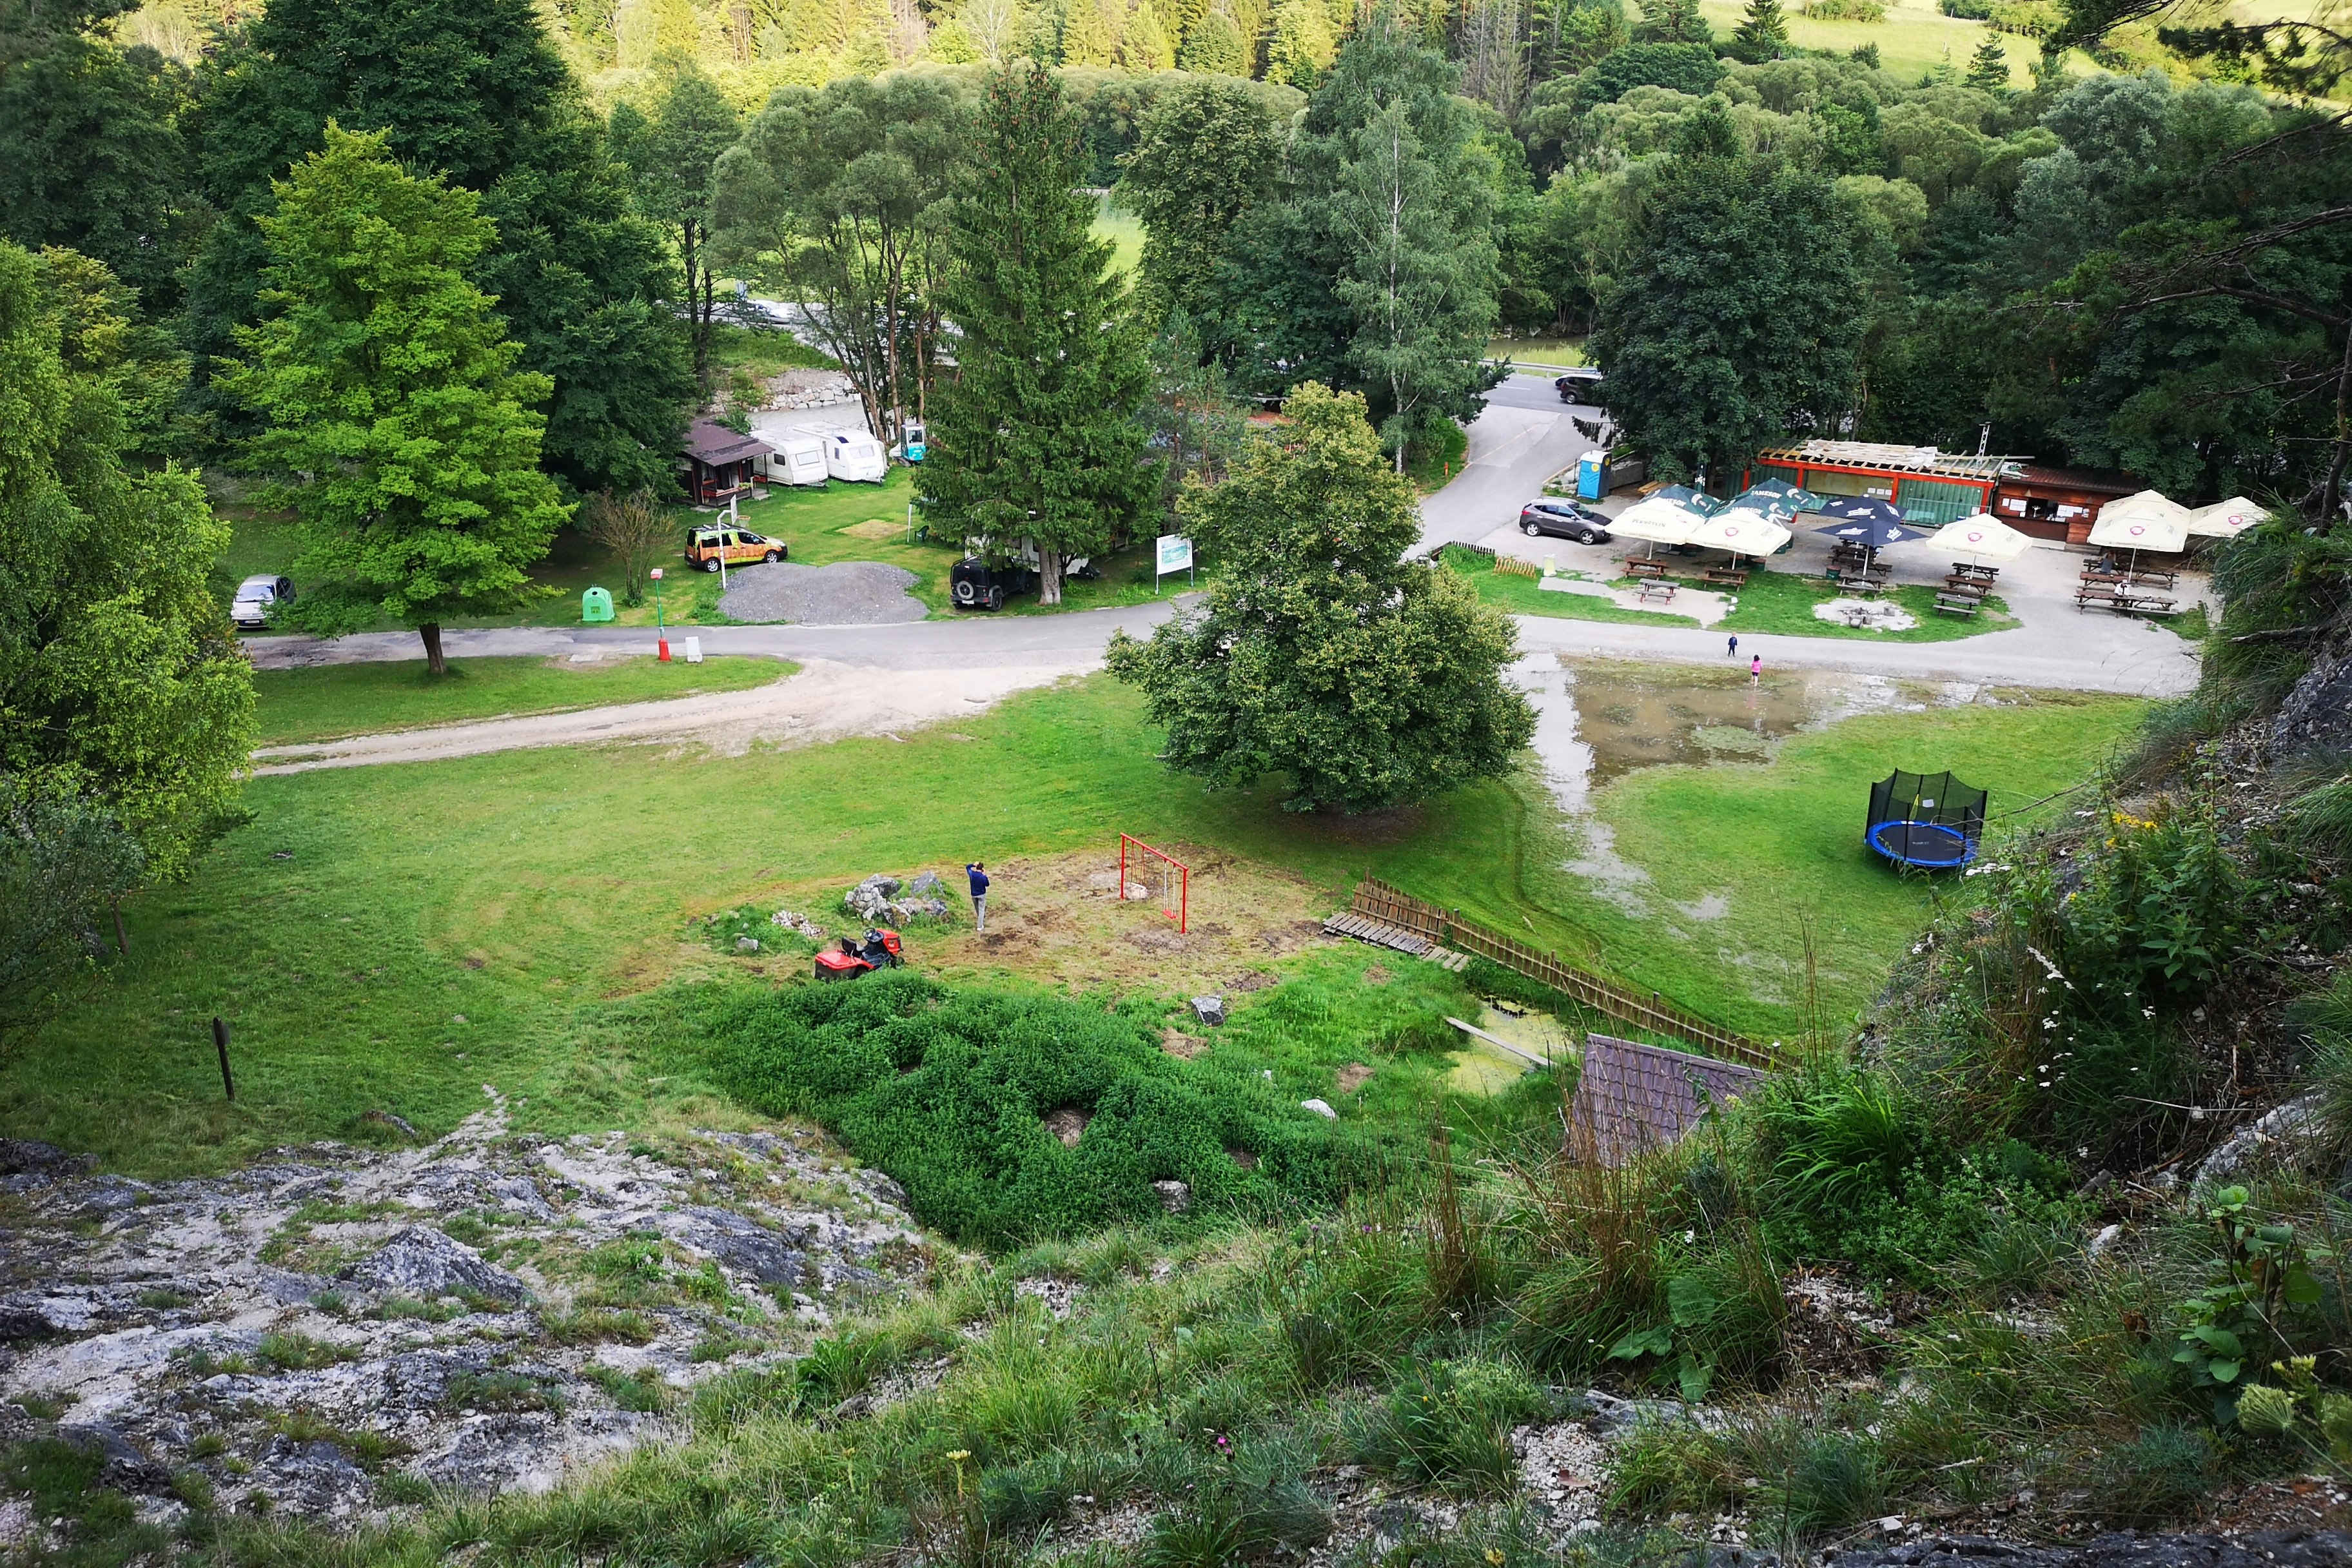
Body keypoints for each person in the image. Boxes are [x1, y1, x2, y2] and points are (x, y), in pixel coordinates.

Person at [966, 861, 990, 932]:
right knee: (982, 909)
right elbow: (987, 884)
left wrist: (972, 865)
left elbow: (967, 867)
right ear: (982, 868)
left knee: (977, 909)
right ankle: (980, 926)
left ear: (976, 867)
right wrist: (985, 875)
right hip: (982, 894)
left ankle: (981, 920)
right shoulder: (983, 877)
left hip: (974, 895)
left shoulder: (972, 874)